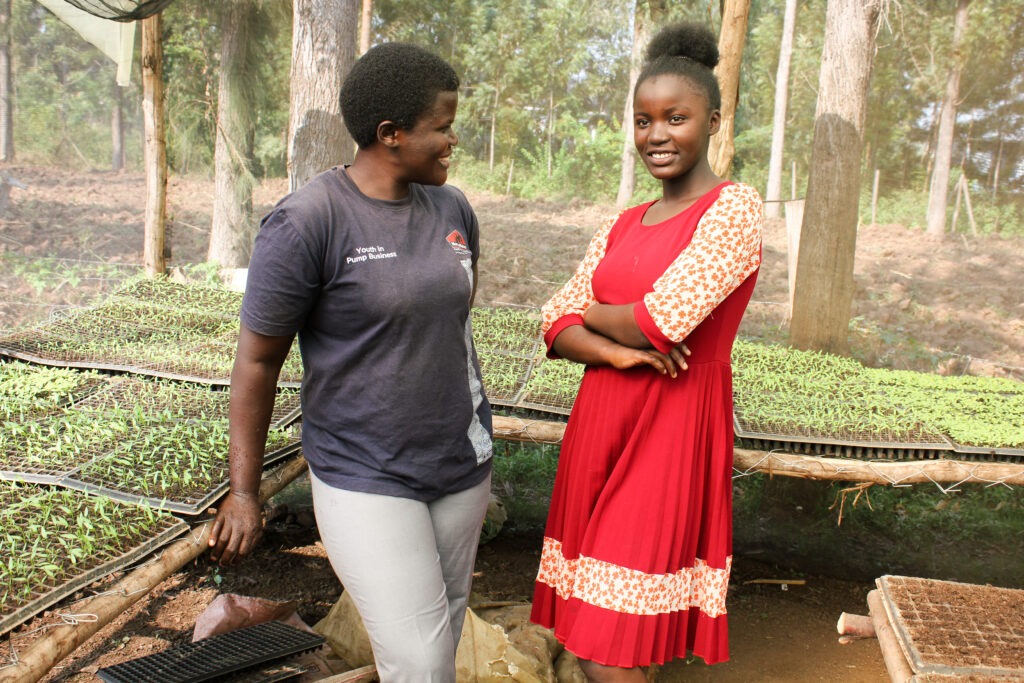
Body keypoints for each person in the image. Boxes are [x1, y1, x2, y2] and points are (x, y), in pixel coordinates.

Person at [207, 42, 494, 682]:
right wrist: (245, 491)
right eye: (442, 127)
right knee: (418, 660)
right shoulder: (310, 221)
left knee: (441, 633)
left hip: (459, 462)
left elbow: (452, 319)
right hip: (365, 471)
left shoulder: (452, 210)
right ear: (390, 134)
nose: (453, 140)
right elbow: (256, 363)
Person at [529, 22, 763, 681]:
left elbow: (667, 317)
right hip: (602, 417)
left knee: (609, 648)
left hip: (670, 428)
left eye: (675, 118)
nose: (655, 134)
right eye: (642, 120)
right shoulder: (624, 221)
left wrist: (597, 318)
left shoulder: (733, 208)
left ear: (713, 121)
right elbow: (553, 319)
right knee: (587, 634)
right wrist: (616, 351)